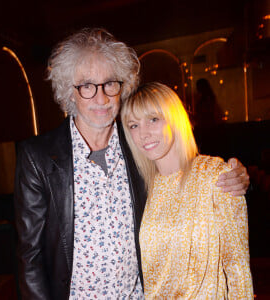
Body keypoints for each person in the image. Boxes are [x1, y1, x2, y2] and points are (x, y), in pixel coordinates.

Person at [14, 28, 250, 300]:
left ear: (122, 87)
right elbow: (29, 257)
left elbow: (185, 173)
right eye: (87, 86)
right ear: (70, 92)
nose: (101, 98)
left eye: (110, 83)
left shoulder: (138, 146)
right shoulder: (39, 157)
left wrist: (234, 177)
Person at [121, 82, 253, 299]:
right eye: (133, 125)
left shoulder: (213, 174)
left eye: (153, 119)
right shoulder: (142, 189)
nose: (143, 133)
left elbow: (237, 267)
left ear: (174, 119)